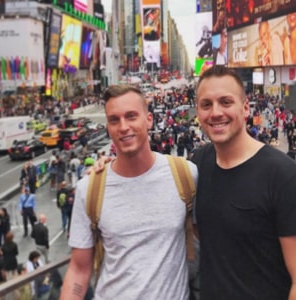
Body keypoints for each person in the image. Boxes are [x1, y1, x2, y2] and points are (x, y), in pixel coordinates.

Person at [60, 84, 198, 299]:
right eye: (114, 120)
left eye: (131, 116)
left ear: (149, 119)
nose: (123, 127)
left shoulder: (185, 175)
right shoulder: (89, 189)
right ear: (108, 127)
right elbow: (79, 269)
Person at [190, 65, 296, 299]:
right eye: (206, 104)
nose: (215, 112)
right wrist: (105, 166)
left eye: (226, 102)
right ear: (198, 112)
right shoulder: (198, 163)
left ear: (245, 108)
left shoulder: (283, 175)